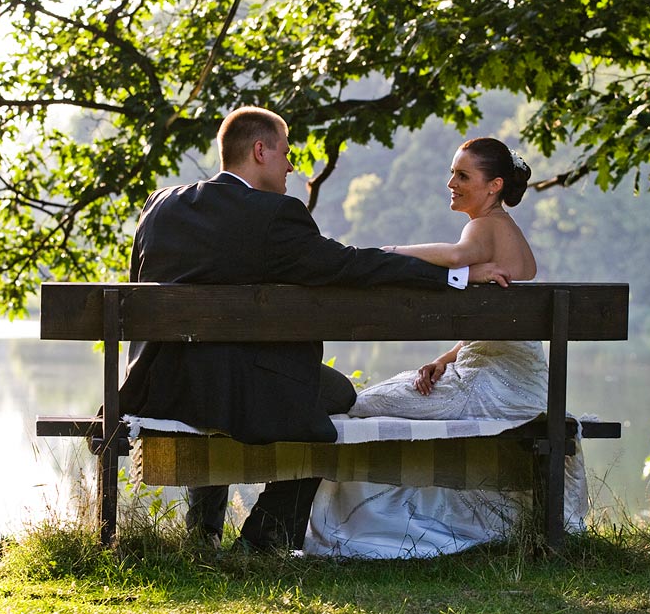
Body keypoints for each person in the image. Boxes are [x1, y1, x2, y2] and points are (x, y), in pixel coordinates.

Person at [118, 107, 509, 553]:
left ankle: (201, 533)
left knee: (223, 384)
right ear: (260, 151)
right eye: (285, 153)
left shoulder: (161, 205)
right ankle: (264, 536)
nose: (290, 166)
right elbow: (348, 266)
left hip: (160, 385)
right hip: (228, 390)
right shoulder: (273, 215)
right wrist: (454, 276)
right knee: (336, 396)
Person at [303, 137, 588, 559]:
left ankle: (359, 527)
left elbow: (457, 257)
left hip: (489, 388)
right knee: (379, 403)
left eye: (463, 175)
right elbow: (498, 326)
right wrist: (444, 358)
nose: (451, 183)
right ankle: (384, 520)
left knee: (360, 407)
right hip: (519, 382)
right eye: (452, 173)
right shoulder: (506, 230)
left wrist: (387, 253)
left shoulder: (485, 227)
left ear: (493, 186)